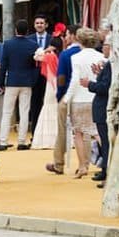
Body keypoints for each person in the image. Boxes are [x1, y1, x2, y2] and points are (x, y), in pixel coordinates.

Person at [62, 28, 104, 178]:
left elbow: (75, 80)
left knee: (78, 133)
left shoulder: (76, 57)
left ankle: (82, 166)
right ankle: (109, 160)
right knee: (98, 132)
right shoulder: (101, 57)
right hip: (96, 98)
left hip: (79, 99)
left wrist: (67, 98)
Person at [0, 19, 38, 151]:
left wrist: (0, 82)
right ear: (27, 31)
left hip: (12, 81)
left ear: (15, 30)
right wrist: (33, 81)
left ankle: (3, 141)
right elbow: (35, 67)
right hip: (26, 82)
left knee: (7, 112)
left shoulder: (7, 45)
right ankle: (21, 141)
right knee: (24, 112)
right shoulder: (33, 45)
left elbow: (4, 66)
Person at [46, 24, 81, 175]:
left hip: (67, 95)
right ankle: (85, 163)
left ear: (73, 36)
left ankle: (58, 163)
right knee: (85, 131)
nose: (65, 38)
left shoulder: (66, 55)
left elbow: (61, 78)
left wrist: (60, 95)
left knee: (62, 130)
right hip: (86, 96)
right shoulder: (94, 53)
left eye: (67, 35)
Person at [81, 34, 111, 186]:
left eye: (105, 44)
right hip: (101, 107)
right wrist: (99, 75)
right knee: (104, 141)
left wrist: (90, 84)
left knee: (106, 142)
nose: (103, 47)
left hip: (104, 107)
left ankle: (107, 172)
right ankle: (105, 169)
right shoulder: (108, 64)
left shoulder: (112, 64)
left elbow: (106, 87)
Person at [29, 14, 51, 130]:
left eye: (41, 23)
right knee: (35, 103)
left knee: (48, 102)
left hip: (48, 75)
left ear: (46, 25)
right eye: (37, 23)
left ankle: (47, 130)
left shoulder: (52, 39)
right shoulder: (29, 39)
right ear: (34, 25)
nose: (39, 25)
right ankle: (35, 130)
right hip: (34, 75)